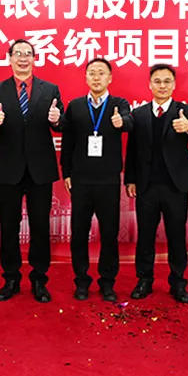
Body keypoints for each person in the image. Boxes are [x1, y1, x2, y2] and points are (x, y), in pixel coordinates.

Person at [0, 39, 64, 303]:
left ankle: (39, 279)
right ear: (10, 58)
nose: (22, 58)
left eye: (27, 54)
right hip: (8, 168)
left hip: (40, 169)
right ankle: (11, 279)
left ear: (34, 58)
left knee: (40, 226)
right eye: (17, 54)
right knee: (9, 227)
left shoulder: (50, 89)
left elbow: (61, 123)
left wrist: (57, 120)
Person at [124, 64, 188, 303]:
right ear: (150, 85)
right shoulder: (139, 114)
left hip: (175, 186)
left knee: (176, 236)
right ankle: (144, 280)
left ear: (174, 85)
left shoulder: (185, 110)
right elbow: (132, 150)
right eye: (157, 81)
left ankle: (178, 282)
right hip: (146, 185)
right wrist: (130, 179)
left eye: (167, 81)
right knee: (145, 236)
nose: (162, 86)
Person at [60, 58, 132, 302]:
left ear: (110, 78)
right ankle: (81, 281)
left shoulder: (119, 104)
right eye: (92, 73)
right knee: (79, 233)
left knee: (109, 234)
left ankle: (107, 282)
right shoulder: (76, 106)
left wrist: (121, 122)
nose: (97, 77)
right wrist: (66, 172)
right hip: (80, 181)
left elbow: (129, 122)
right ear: (86, 77)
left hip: (108, 181)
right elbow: (67, 141)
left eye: (101, 73)